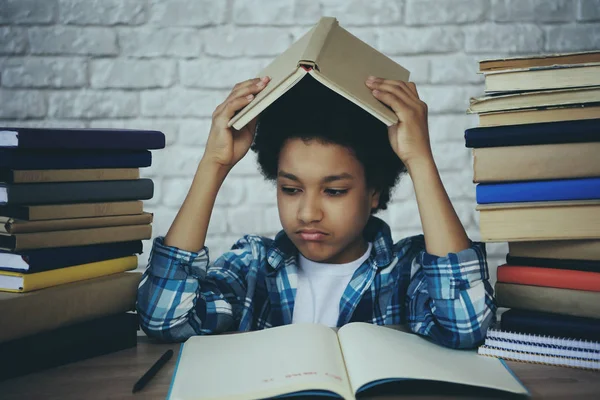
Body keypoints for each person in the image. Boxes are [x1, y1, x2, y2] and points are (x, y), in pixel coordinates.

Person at [137, 74, 496, 349]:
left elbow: (465, 324)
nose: (308, 213)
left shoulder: (406, 272)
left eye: (334, 191)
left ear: (374, 192)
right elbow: (163, 319)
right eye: (290, 189)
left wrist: (419, 158)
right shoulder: (251, 268)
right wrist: (214, 163)